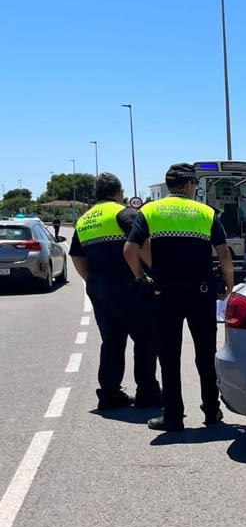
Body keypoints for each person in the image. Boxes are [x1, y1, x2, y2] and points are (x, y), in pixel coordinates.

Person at [123, 164, 234, 432]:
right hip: (201, 292)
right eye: (194, 185)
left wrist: (142, 278)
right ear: (187, 185)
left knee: (169, 356)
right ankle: (211, 411)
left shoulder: (149, 210)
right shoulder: (206, 212)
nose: (195, 189)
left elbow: (129, 248)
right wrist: (229, 285)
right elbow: (224, 253)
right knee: (205, 354)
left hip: (165, 293)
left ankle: (173, 417)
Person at [69, 173, 162, 410]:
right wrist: (152, 273)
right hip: (129, 286)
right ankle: (147, 392)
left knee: (111, 341)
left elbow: (76, 256)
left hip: (99, 289)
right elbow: (139, 242)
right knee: (144, 339)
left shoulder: (84, 220)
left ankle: (109, 394)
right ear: (119, 192)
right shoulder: (123, 213)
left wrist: (90, 280)